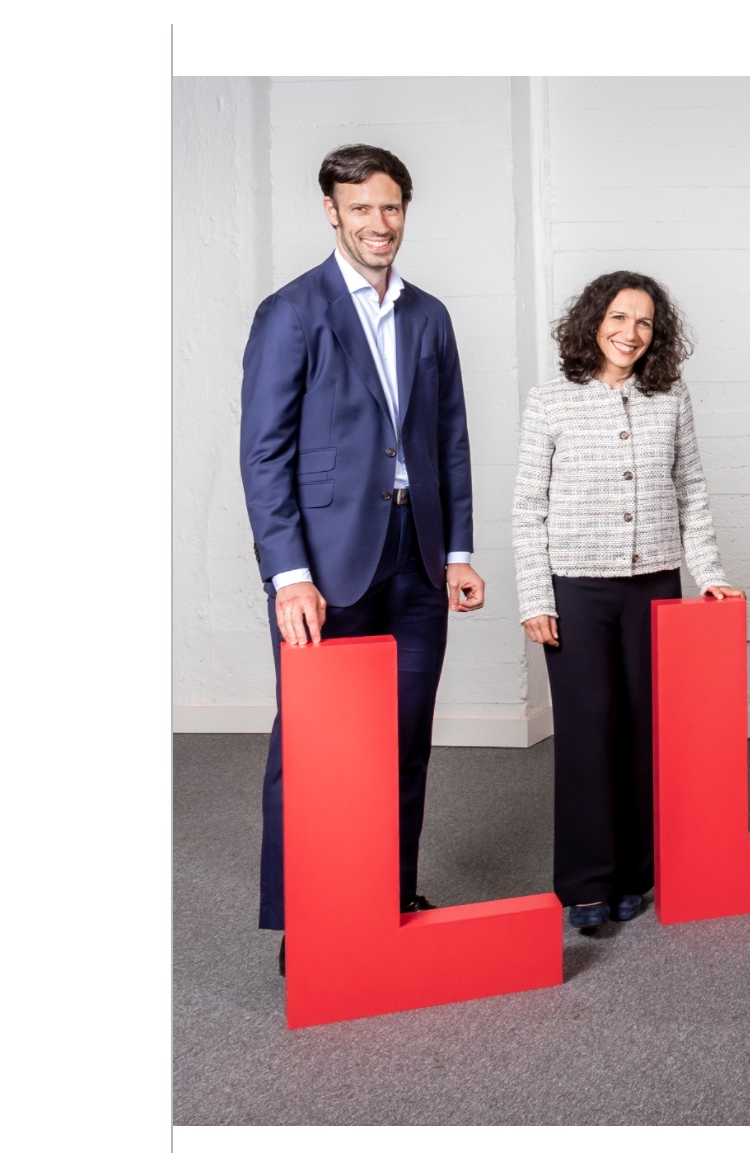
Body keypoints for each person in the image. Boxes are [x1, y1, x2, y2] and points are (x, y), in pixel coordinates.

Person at [240, 144, 485, 975]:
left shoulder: (429, 315)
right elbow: (263, 455)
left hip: (416, 556)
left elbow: (448, 440)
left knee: (403, 738)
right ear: (331, 211)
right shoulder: (292, 312)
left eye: (392, 208)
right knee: (314, 744)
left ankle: (388, 889)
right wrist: (288, 575)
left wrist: (457, 548)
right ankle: (304, 916)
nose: (379, 224)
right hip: (324, 569)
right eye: (362, 208)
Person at [512, 272, 743, 933]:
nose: (629, 333)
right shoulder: (550, 401)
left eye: (644, 323)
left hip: (654, 585)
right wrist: (536, 594)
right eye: (618, 317)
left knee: (646, 731)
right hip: (576, 590)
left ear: (656, 334)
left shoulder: (670, 398)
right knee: (587, 734)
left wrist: (709, 573)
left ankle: (635, 872)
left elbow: (691, 489)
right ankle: (585, 880)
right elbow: (528, 505)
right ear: (593, 321)